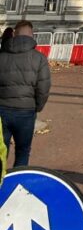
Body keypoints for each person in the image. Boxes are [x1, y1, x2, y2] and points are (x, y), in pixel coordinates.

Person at [0, 20, 51, 167]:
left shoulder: (2, 56)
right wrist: (37, 107)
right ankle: (18, 183)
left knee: (1, 151)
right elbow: (43, 87)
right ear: (32, 35)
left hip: (2, 109)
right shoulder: (39, 58)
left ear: (15, 34)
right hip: (26, 110)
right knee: (23, 151)